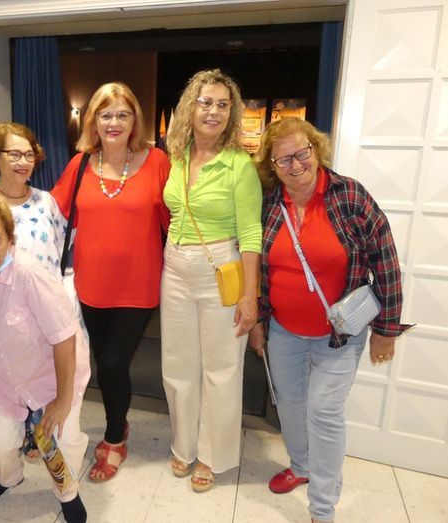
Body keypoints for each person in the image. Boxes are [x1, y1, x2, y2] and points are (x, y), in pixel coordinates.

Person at [248, 117, 411, 523]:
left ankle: (322, 508)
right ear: (272, 165)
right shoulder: (268, 203)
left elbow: (386, 263)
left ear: (316, 149)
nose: (295, 164)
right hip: (284, 329)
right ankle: (301, 466)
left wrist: (386, 331)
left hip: (340, 334)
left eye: (302, 153)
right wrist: (258, 323)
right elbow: (259, 268)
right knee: (289, 404)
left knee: (323, 412)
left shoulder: (349, 196)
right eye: (283, 159)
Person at [51, 82, 171, 482]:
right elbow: (51, 213)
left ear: (135, 119)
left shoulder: (157, 162)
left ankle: (115, 438)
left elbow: (177, 220)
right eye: (106, 114)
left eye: (122, 114)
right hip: (91, 285)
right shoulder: (81, 164)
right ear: (94, 121)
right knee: (105, 364)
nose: (114, 122)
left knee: (115, 362)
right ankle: (119, 421)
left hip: (139, 284)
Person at [0, 196, 90, 523]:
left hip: (53, 375)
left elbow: (64, 338)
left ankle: (67, 492)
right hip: (4, 379)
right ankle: (8, 478)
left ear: (9, 237)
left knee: (63, 441)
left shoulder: (29, 274)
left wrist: (62, 400)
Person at [161, 69, 262, 492]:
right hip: (174, 266)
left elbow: (251, 233)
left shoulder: (239, 165)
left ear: (232, 113)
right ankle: (183, 444)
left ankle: (211, 454)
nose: (214, 111)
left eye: (223, 104)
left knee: (221, 367)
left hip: (220, 266)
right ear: (191, 107)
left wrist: (250, 296)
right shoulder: (177, 157)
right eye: (206, 102)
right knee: (177, 363)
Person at [0, 122, 78, 463]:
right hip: (6, 316)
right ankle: (19, 441)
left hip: (45, 314)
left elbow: (62, 250)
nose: (23, 162)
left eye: (29, 154)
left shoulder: (46, 201)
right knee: (11, 383)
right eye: (14, 154)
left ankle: (44, 441)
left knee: (47, 383)